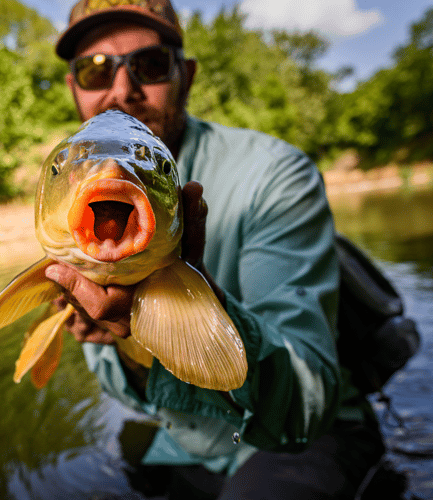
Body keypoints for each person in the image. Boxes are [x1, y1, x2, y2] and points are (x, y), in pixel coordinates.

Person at [45, 1, 386, 498]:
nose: (121, 90)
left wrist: (200, 304)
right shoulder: (73, 190)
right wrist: (126, 346)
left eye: (150, 65)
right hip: (184, 437)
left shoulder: (275, 174)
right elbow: (124, 390)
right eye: (94, 71)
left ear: (187, 75)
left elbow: (309, 406)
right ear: (74, 87)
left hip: (303, 435)